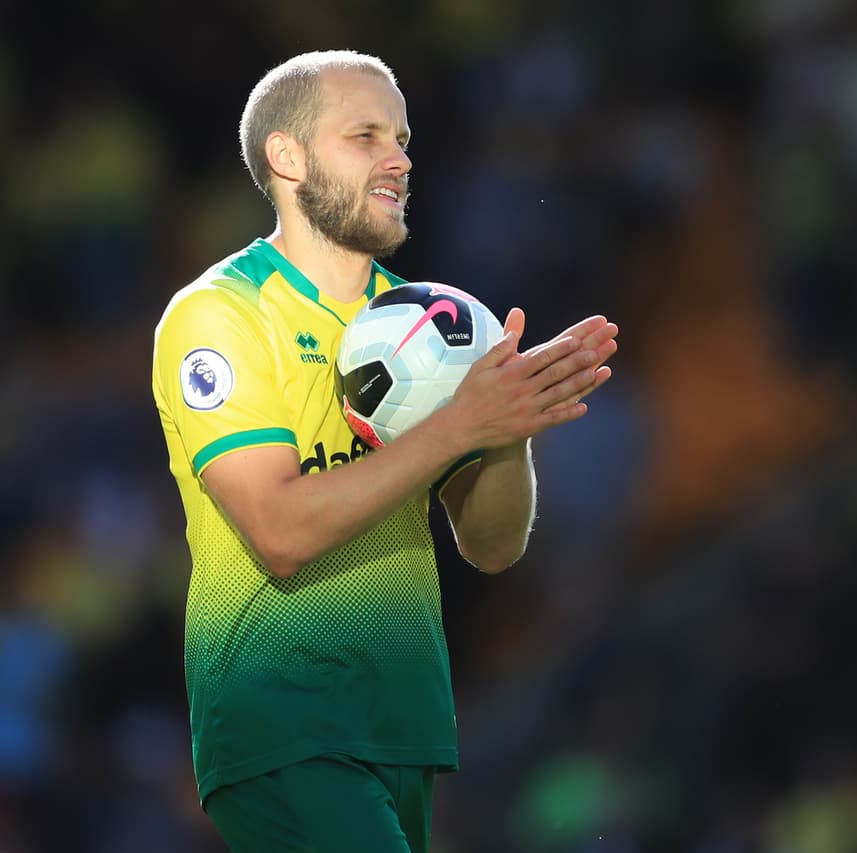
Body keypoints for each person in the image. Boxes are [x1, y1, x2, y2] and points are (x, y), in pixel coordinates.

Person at [150, 50, 618, 853]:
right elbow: (280, 530)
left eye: (401, 138)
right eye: (365, 135)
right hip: (284, 719)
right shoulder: (219, 315)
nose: (399, 157)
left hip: (403, 724)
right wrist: (460, 423)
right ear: (287, 157)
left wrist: (508, 429)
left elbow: (494, 546)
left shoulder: (429, 323)